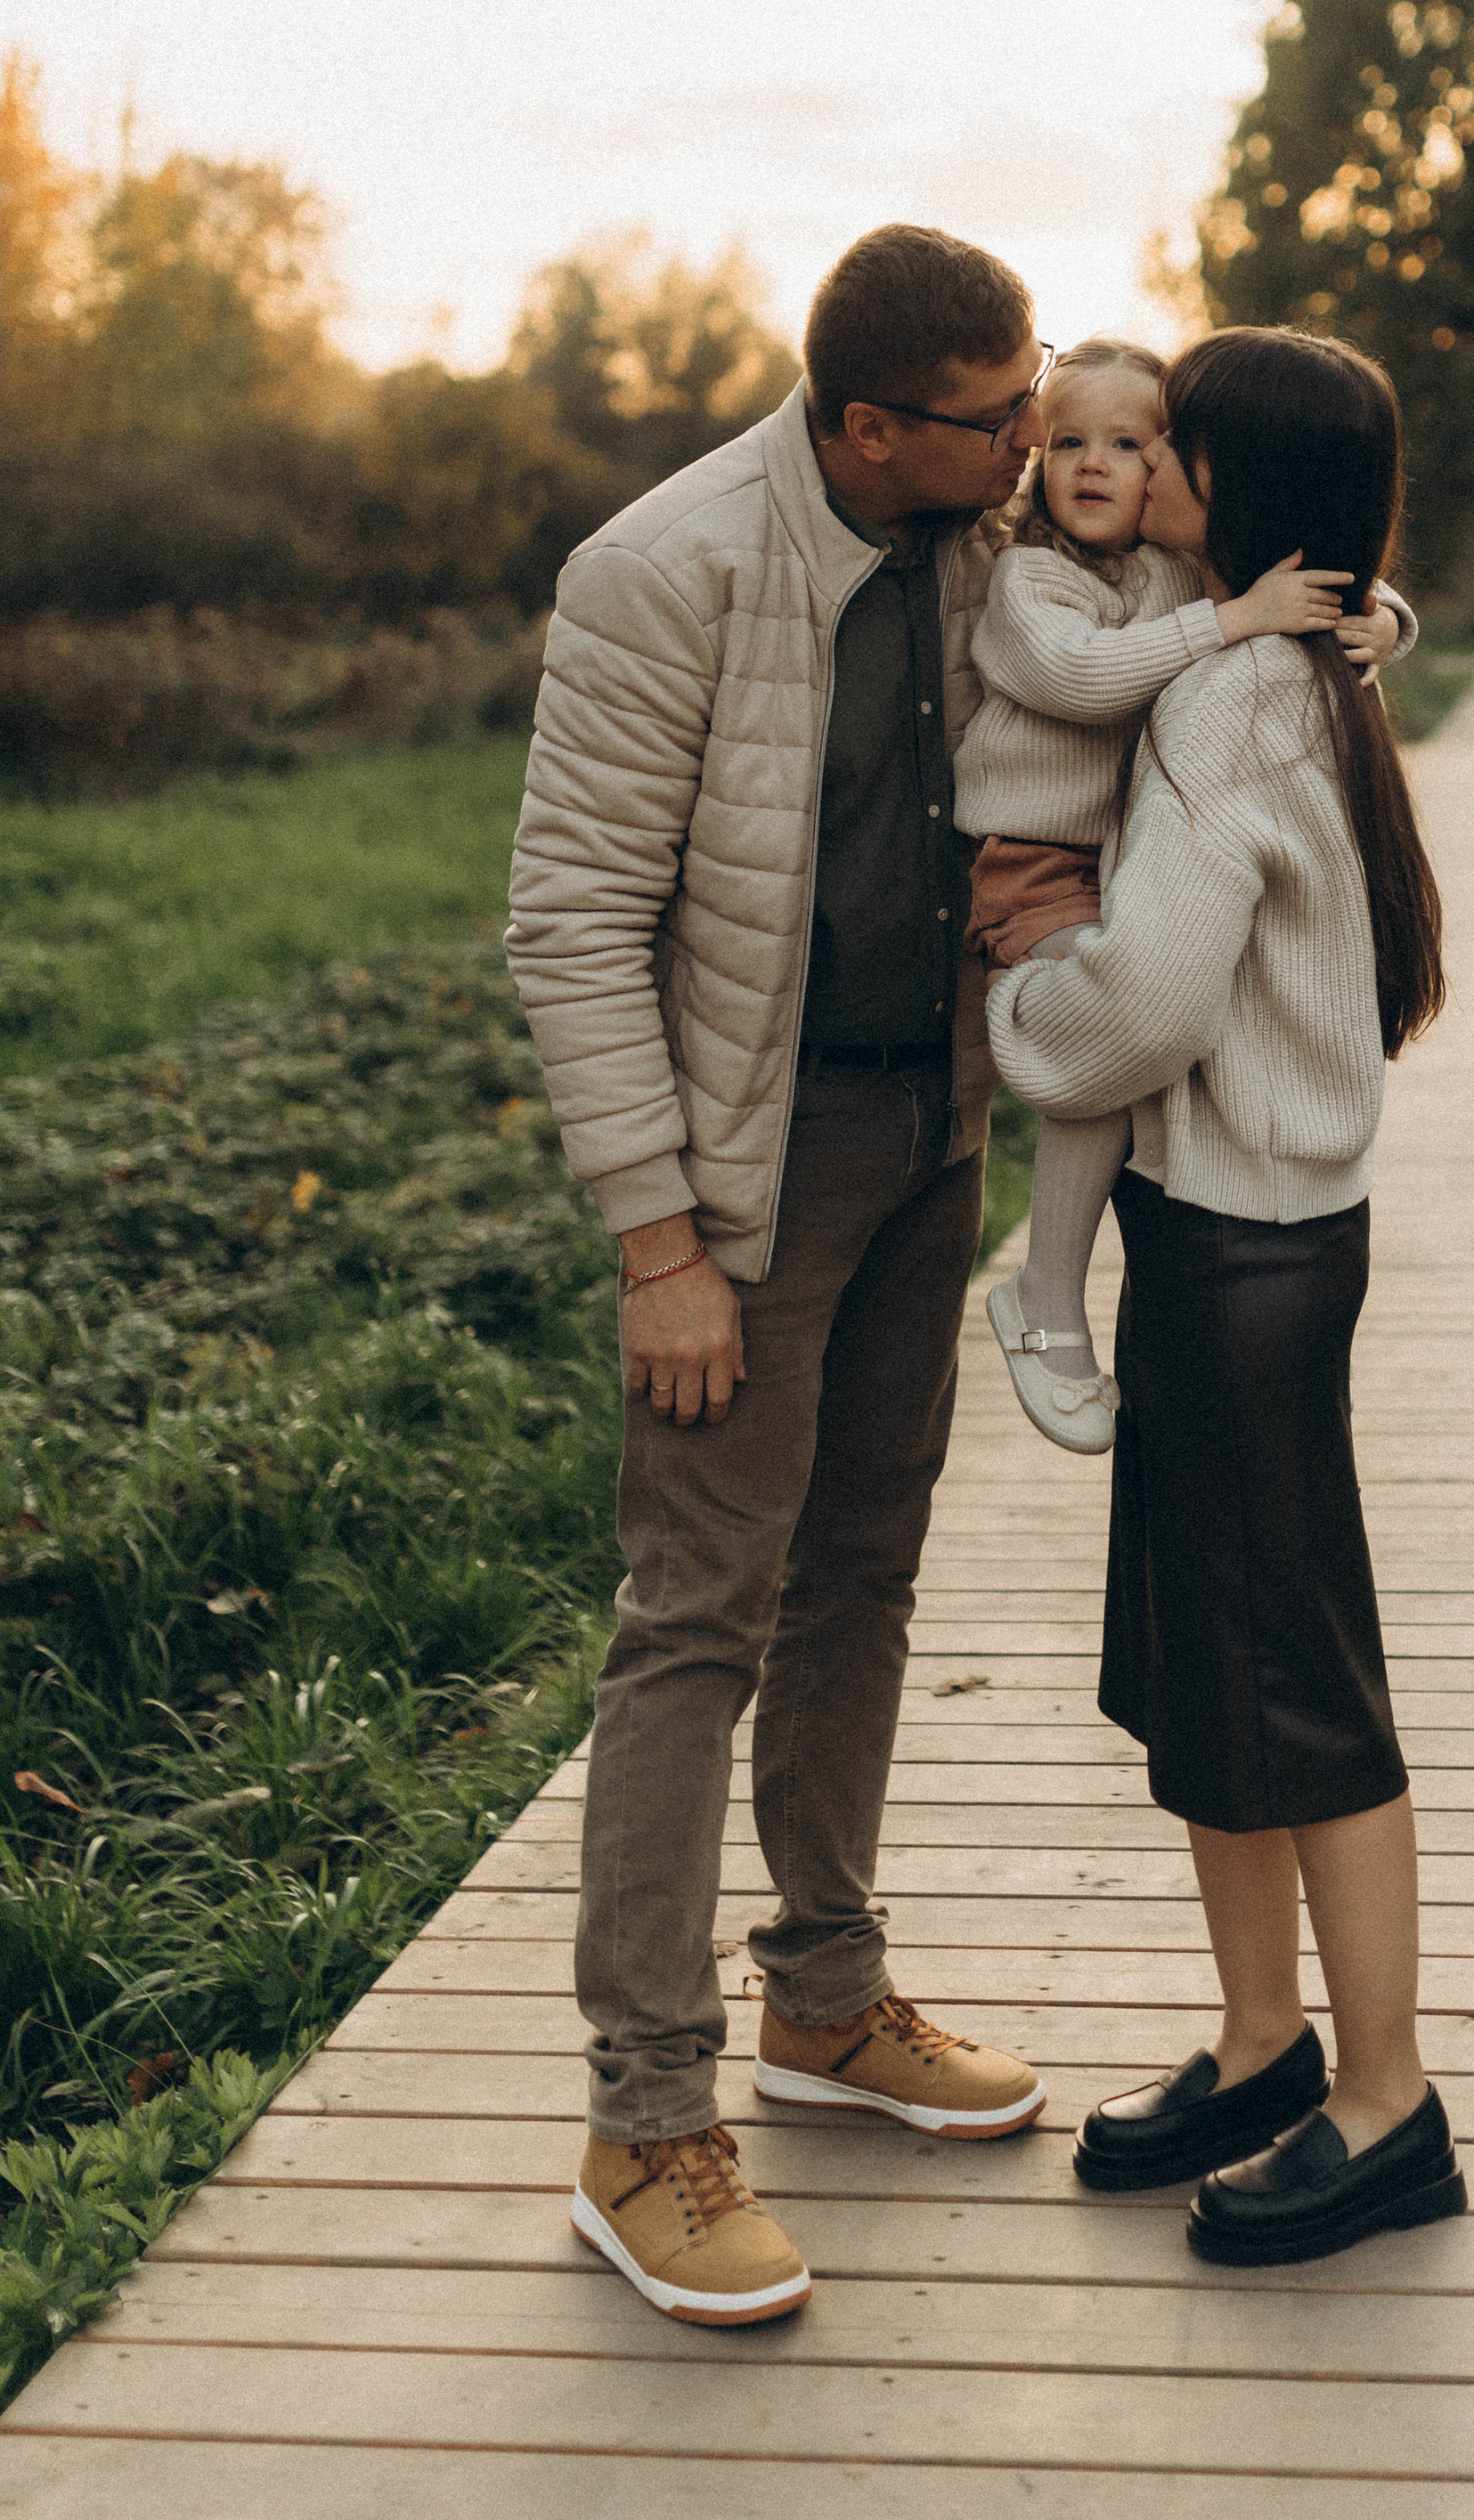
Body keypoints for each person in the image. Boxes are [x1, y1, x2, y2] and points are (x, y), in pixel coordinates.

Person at [506, 223, 1054, 2332]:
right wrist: (660, 1247)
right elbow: (568, 921)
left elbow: (1181, 607)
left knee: (864, 1571)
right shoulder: (662, 570)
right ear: (866, 425)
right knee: (692, 1618)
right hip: (743, 1173)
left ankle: (824, 1996)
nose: (1024, 446)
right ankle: (643, 2119)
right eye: (992, 419)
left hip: (933, 1133)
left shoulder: (983, 542)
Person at [985, 323, 1464, 2265]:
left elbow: (1148, 992)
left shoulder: (1234, 697)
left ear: (1232, 484)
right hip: (1239, 1230)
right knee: (1210, 1655)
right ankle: (1266, 2041)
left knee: (1294, 1675)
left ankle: (1385, 2102)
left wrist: (1020, 1004)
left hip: (1245, 1250)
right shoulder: (1271, 651)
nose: (1141, 455)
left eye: (1173, 436)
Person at [955, 334, 1405, 1451]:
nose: (1109, 466)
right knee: (1102, 1075)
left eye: (1140, 442)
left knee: (1119, 1045)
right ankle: (1045, 1291)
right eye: (1071, 442)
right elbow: (1077, 674)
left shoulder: (1169, 576)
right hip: (1033, 861)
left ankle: (1049, 1290)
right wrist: (1236, 619)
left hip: (1111, 864)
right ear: (1034, 459)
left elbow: (1322, 559)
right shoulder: (1035, 580)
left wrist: (1384, 620)